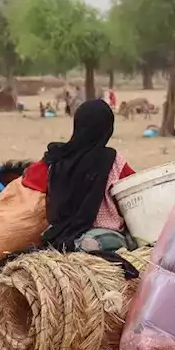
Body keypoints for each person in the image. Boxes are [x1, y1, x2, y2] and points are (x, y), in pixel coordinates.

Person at [39, 99, 137, 251]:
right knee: (123, 241)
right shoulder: (113, 160)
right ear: (107, 128)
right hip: (104, 232)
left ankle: (73, 245)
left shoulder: (59, 159)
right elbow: (134, 191)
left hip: (62, 232)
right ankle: (84, 246)